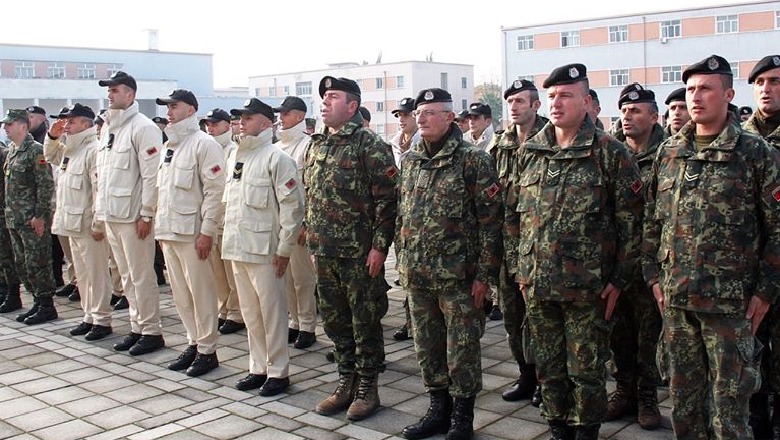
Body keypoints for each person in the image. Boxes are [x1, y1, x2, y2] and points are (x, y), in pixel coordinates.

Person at [643, 54, 780, 439]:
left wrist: (766, 292)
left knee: (730, 412)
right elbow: (652, 222)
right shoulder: (669, 153)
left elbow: (778, 228)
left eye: (706, 88)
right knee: (684, 407)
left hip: (729, 307)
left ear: (729, 94)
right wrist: (654, 278)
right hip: (677, 303)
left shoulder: (755, 154)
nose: (695, 97)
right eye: (690, 89)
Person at [509, 63, 643, 439]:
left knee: (585, 371)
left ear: (586, 101)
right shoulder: (531, 152)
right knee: (549, 367)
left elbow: (633, 224)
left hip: (589, 289)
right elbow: (514, 216)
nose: (556, 102)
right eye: (551, 96)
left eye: (566, 95)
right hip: (538, 285)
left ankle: (586, 433)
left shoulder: (610, 153)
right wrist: (522, 270)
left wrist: (619, 279)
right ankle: (557, 429)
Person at [397, 88, 502, 440]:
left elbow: (491, 222)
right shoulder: (411, 159)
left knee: (462, 351)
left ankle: (462, 416)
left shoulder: (473, 160)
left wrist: (485, 276)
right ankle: (437, 409)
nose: (421, 118)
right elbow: (404, 215)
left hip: (459, 278)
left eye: (430, 112)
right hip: (419, 276)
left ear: (449, 118)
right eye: (419, 112)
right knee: (427, 348)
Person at [306, 76, 397, 421]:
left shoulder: (369, 144)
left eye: (332, 97)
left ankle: (367, 388)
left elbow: (388, 200)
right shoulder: (318, 143)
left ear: (352, 106)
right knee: (335, 321)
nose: (325, 103)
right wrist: (313, 242)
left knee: (365, 321)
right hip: (326, 252)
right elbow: (311, 195)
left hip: (359, 254)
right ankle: (346, 380)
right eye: (324, 98)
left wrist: (379, 247)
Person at [223, 98, 304, 396]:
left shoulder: (278, 159)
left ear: (265, 122)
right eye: (240, 117)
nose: (242, 122)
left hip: (265, 251)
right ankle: (257, 367)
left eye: (248, 117)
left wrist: (284, 250)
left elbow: (292, 209)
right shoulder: (235, 157)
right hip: (238, 246)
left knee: (272, 313)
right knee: (250, 313)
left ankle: (278, 371)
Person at [604, 84, 665, 430]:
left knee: (648, 334)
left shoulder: (667, 153)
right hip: (615, 260)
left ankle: (647, 396)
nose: (628, 116)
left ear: (654, 116)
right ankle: (623, 389)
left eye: (636, 111)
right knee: (618, 332)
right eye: (624, 111)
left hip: (650, 261)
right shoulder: (610, 153)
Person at [155, 89, 225, 377]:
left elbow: (214, 191)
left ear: (191, 110)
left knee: (202, 293)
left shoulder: (204, 144)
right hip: (170, 231)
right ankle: (193, 342)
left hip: (193, 233)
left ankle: (208, 349)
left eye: (175, 106)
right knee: (181, 295)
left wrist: (207, 232)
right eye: (168, 107)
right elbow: (163, 192)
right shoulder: (169, 147)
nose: (170, 112)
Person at [96, 71, 165, 356]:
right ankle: (137, 327)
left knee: (141, 276)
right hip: (113, 214)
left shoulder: (143, 127)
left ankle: (151, 330)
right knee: (124, 276)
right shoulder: (109, 127)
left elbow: (151, 176)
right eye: (109, 90)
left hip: (133, 216)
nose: (110, 94)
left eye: (116, 90)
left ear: (131, 94)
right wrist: (100, 213)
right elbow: (103, 175)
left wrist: (147, 213)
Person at [491, 79, 548, 405]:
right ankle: (525, 376)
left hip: (539, 250)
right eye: (510, 101)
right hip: (507, 249)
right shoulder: (500, 145)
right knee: (513, 319)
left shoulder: (550, 141)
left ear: (535, 105)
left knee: (539, 321)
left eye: (520, 101)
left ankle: (546, 381)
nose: (514, 106)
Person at [45, 104, 114, 340]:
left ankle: (102, 319)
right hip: (71, 222)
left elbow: (98, 189)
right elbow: (50, 156)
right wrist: (53, 136)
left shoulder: (93, 149)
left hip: (87, 224)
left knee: (96, 274)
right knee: (82, 275)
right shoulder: (69, 149)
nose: (66, 125)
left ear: (86, 124)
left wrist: (97, 223)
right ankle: (89, 316)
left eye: (71, 121)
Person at [741, 54, 780, 438]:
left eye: (776, 82)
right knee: (750, 349)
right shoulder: (740, 139)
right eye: (762, 82)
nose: (767, 89)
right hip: (751, 270)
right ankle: (757, 418)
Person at [0, 109, 59, 325]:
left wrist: (40, 216)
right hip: (14, 218)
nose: (5, 128)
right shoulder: (13, 151)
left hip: (31, 220)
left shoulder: (35, 151)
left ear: (23, 126)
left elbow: (45, 185)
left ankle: (46, 305)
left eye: (9, 124)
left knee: (38, 262)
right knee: (22, 263)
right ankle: (36, 301)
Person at [272, 96, 317, 349]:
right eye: (280, 113)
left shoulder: (308, 146)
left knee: (303, 278)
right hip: (279, 223)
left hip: (299, 224)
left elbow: (311, 187)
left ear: (300, 116)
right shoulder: (277, 147)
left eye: (286, 113)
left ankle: (308, 326)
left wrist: (306, 223)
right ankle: (295, 322)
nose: (281, 118)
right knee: (285, 276)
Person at [201, 108, 244, 335]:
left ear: (228, 125)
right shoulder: (205, 148)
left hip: (227, 219)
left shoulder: (234, 151)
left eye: (215, 124)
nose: (211, 128)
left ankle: (236, 313)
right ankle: (224, 309)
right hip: (210, 219)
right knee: (216, 271)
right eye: (208, 124)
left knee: (230, 271)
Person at [389, 96, 420, 342]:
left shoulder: (423, 144)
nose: (402, 120)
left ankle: (419, 323)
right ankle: (409, 321)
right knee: (404, 271)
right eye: (398, 116)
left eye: (406, 115)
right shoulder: (393, 145)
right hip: (401, 219)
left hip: (420, 220)